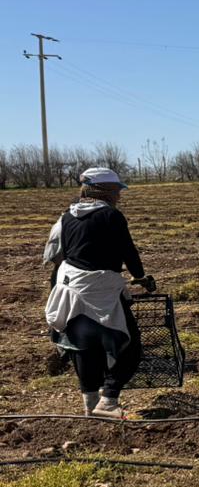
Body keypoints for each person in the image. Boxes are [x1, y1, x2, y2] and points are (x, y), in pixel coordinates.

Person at [43, 167, 156, 417]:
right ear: (103, 191)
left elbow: (61, 256)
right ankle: (108, 401)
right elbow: (129, 252)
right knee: (130, 347)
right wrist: (140, 276)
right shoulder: (111, 216)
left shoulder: (67, 217)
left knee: (83, 347)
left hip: (71, 291)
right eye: (116, 191)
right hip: (101, 292)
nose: (119, 196)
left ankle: (90, 404)